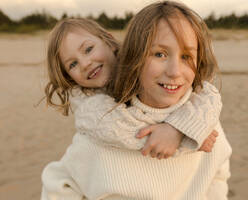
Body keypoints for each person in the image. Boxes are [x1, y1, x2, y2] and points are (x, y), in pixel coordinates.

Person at [41, 1, 231, 199]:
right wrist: (184, 137)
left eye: (88, 49)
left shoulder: (203, 118)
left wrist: (185, 128)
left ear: (110, 42)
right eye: (159, 54)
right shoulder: (96, 126)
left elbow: (218, 173)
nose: (86, 63)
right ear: (136, 57)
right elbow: (59, 184)